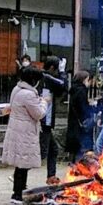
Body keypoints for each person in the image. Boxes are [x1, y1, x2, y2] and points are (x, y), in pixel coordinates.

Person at [2, 66, 46, 204]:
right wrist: (44, 102)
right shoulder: (28, 94)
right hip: (25, 131)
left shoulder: (17, 89)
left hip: (17, 129)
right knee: (23, 163)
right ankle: (18, 194)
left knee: (21, 163)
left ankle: (19, 190)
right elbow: (38, 114)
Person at [39, 55, 66, 183]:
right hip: (43, 120)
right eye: (56, 69)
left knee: (53, 149)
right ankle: (20, 171)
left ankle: (51, 176)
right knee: (41, 152)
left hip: (46, 120)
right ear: (51, 68)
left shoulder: (44, 78)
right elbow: (63, 85)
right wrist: (62, 72)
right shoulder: (46, 77)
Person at [65, 70, 93, 163]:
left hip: (74, 120)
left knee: (74, 146)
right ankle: (78, 163)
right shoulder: (81, 90)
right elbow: (82, 107)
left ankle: (73, 162)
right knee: (81, 145)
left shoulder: (74, 89)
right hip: (80, 121)